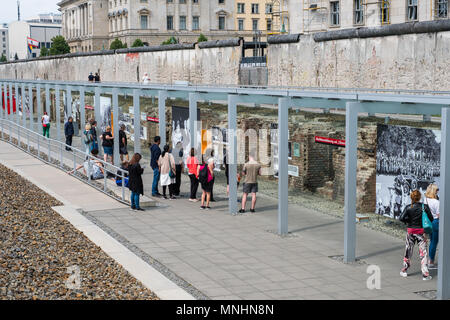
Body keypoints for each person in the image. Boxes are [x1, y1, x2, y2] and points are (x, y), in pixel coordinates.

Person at [399, 189, 434, 280]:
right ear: (419, 197)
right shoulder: (424, 207)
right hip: (421, 232)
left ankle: (404, 270)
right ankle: (425, 274)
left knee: (408, 250)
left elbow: (401, 218)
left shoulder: (408, 207)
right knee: (423, 253)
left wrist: (409, 221)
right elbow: (431, 218)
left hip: (410, 231)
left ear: (411, 197)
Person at [424, 184, 440, 268]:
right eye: (437, 190)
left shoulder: (425, 199)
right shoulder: (436, 202)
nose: (438, 191)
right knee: (434, 242)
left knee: (432, 241)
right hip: (436, 222)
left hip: (429, 222)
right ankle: (431, 262)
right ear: (434, 191)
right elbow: (439, 215)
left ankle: (429, 260)